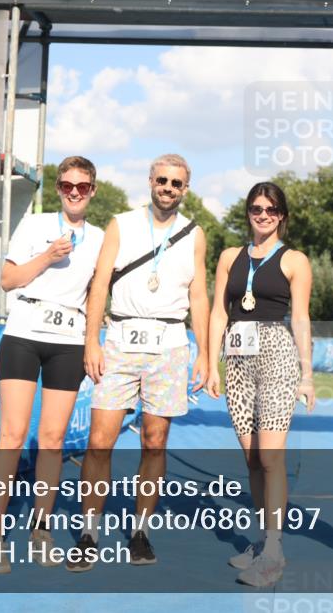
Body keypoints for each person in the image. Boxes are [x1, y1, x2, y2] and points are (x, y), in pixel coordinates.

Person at [68, 153, 210, 571]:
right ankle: (89, 533)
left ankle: (140, 532)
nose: (168, 188)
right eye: (162, 180)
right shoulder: (122, 224)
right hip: (121, 339)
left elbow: (199, 294)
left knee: (155, 440)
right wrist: (91, 341)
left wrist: (205, 352)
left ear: (185, 189)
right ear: (150, 181)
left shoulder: (195, 233)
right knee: (100, 440)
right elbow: (99, 286)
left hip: (170, 343)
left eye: (176, 183)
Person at [0, 155, 105, 574]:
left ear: (92, 191)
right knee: (13, 435)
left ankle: (40, 531)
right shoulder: (35, 225)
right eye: (67, 185)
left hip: (68, 341)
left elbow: (98, 293)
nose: (74, 192)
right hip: (24, 333)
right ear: (58, 189)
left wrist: (94, 341)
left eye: (82, 186)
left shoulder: (100, 238)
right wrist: (48, 257)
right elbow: (8, 280)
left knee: (52, 440)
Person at [205, 182, 316, 587]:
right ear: (248, 212)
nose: (263, 215)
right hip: (237, 360)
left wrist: (307, 374)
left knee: (270, 456)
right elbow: (219, 312)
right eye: (256, 208)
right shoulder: (229, 257)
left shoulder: (295, 260)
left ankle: (273, 551)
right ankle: (262, 538)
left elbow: (300, 318)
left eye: (271, 209)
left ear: (281, 215)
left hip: (276, 356)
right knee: (252, 458)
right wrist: (212, 364)